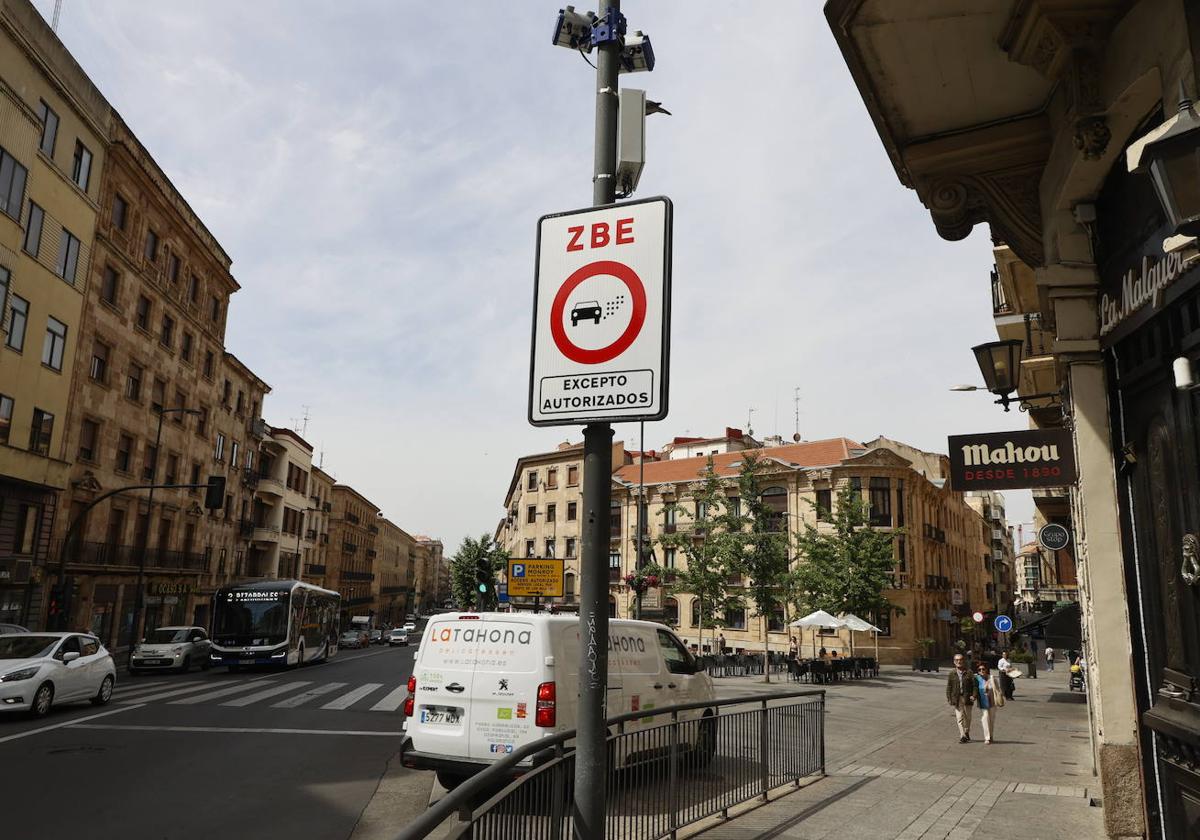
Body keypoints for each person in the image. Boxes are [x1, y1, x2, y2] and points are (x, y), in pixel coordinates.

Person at [946, 653, 976, 743]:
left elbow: (975, 686)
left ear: (963, 661)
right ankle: (962, 735)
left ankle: (966, 732)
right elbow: (949, 687)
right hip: (957, 698)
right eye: (957, 660)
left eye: (960, 660)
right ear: (954, 662)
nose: (959, 661)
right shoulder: (952, 673)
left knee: (968, 717)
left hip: (967, 698)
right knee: (959, 718)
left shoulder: (969, 672)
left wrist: (974, 695)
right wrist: (949, 698)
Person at [975, 662, 1006, 744]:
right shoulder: (977, 678)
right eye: (979, 669)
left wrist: (1000, 695)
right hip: (982, 702)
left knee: (991, 720)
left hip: (992, 702)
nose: (981, 671)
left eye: (983, 669)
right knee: (985, 717)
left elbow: (998, 689)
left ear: (986, 670)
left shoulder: (992, 678)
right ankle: (987, 737)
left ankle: (991, 735)